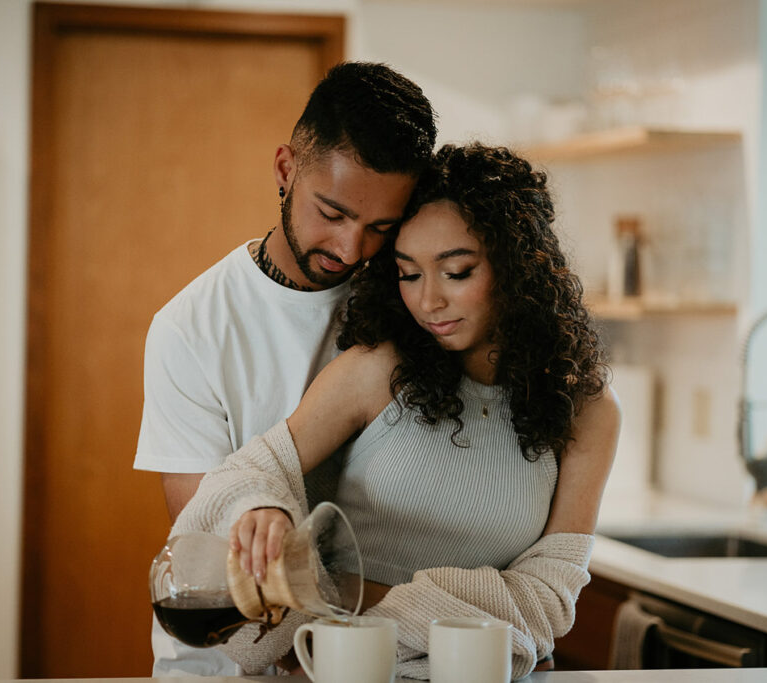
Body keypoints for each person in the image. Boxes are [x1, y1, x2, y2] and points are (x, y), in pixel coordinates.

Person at [172, 143, 622, 679]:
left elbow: (550, 597)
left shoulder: (587, 409)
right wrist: (261, 508)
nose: (429, 301)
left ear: (517, 266)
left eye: (456, 272)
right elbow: (249, 472)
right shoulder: (378, 371)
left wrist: (341, 594)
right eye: (409, 274)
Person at [134, 61, 437, 676]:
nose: (353, 250)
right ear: (285, 169)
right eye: (333, 213)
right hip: (229, 652)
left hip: (367, 651)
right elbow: (209, 532)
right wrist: (259, 510)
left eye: (380, 227)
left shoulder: (412, 304)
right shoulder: (191, 327)